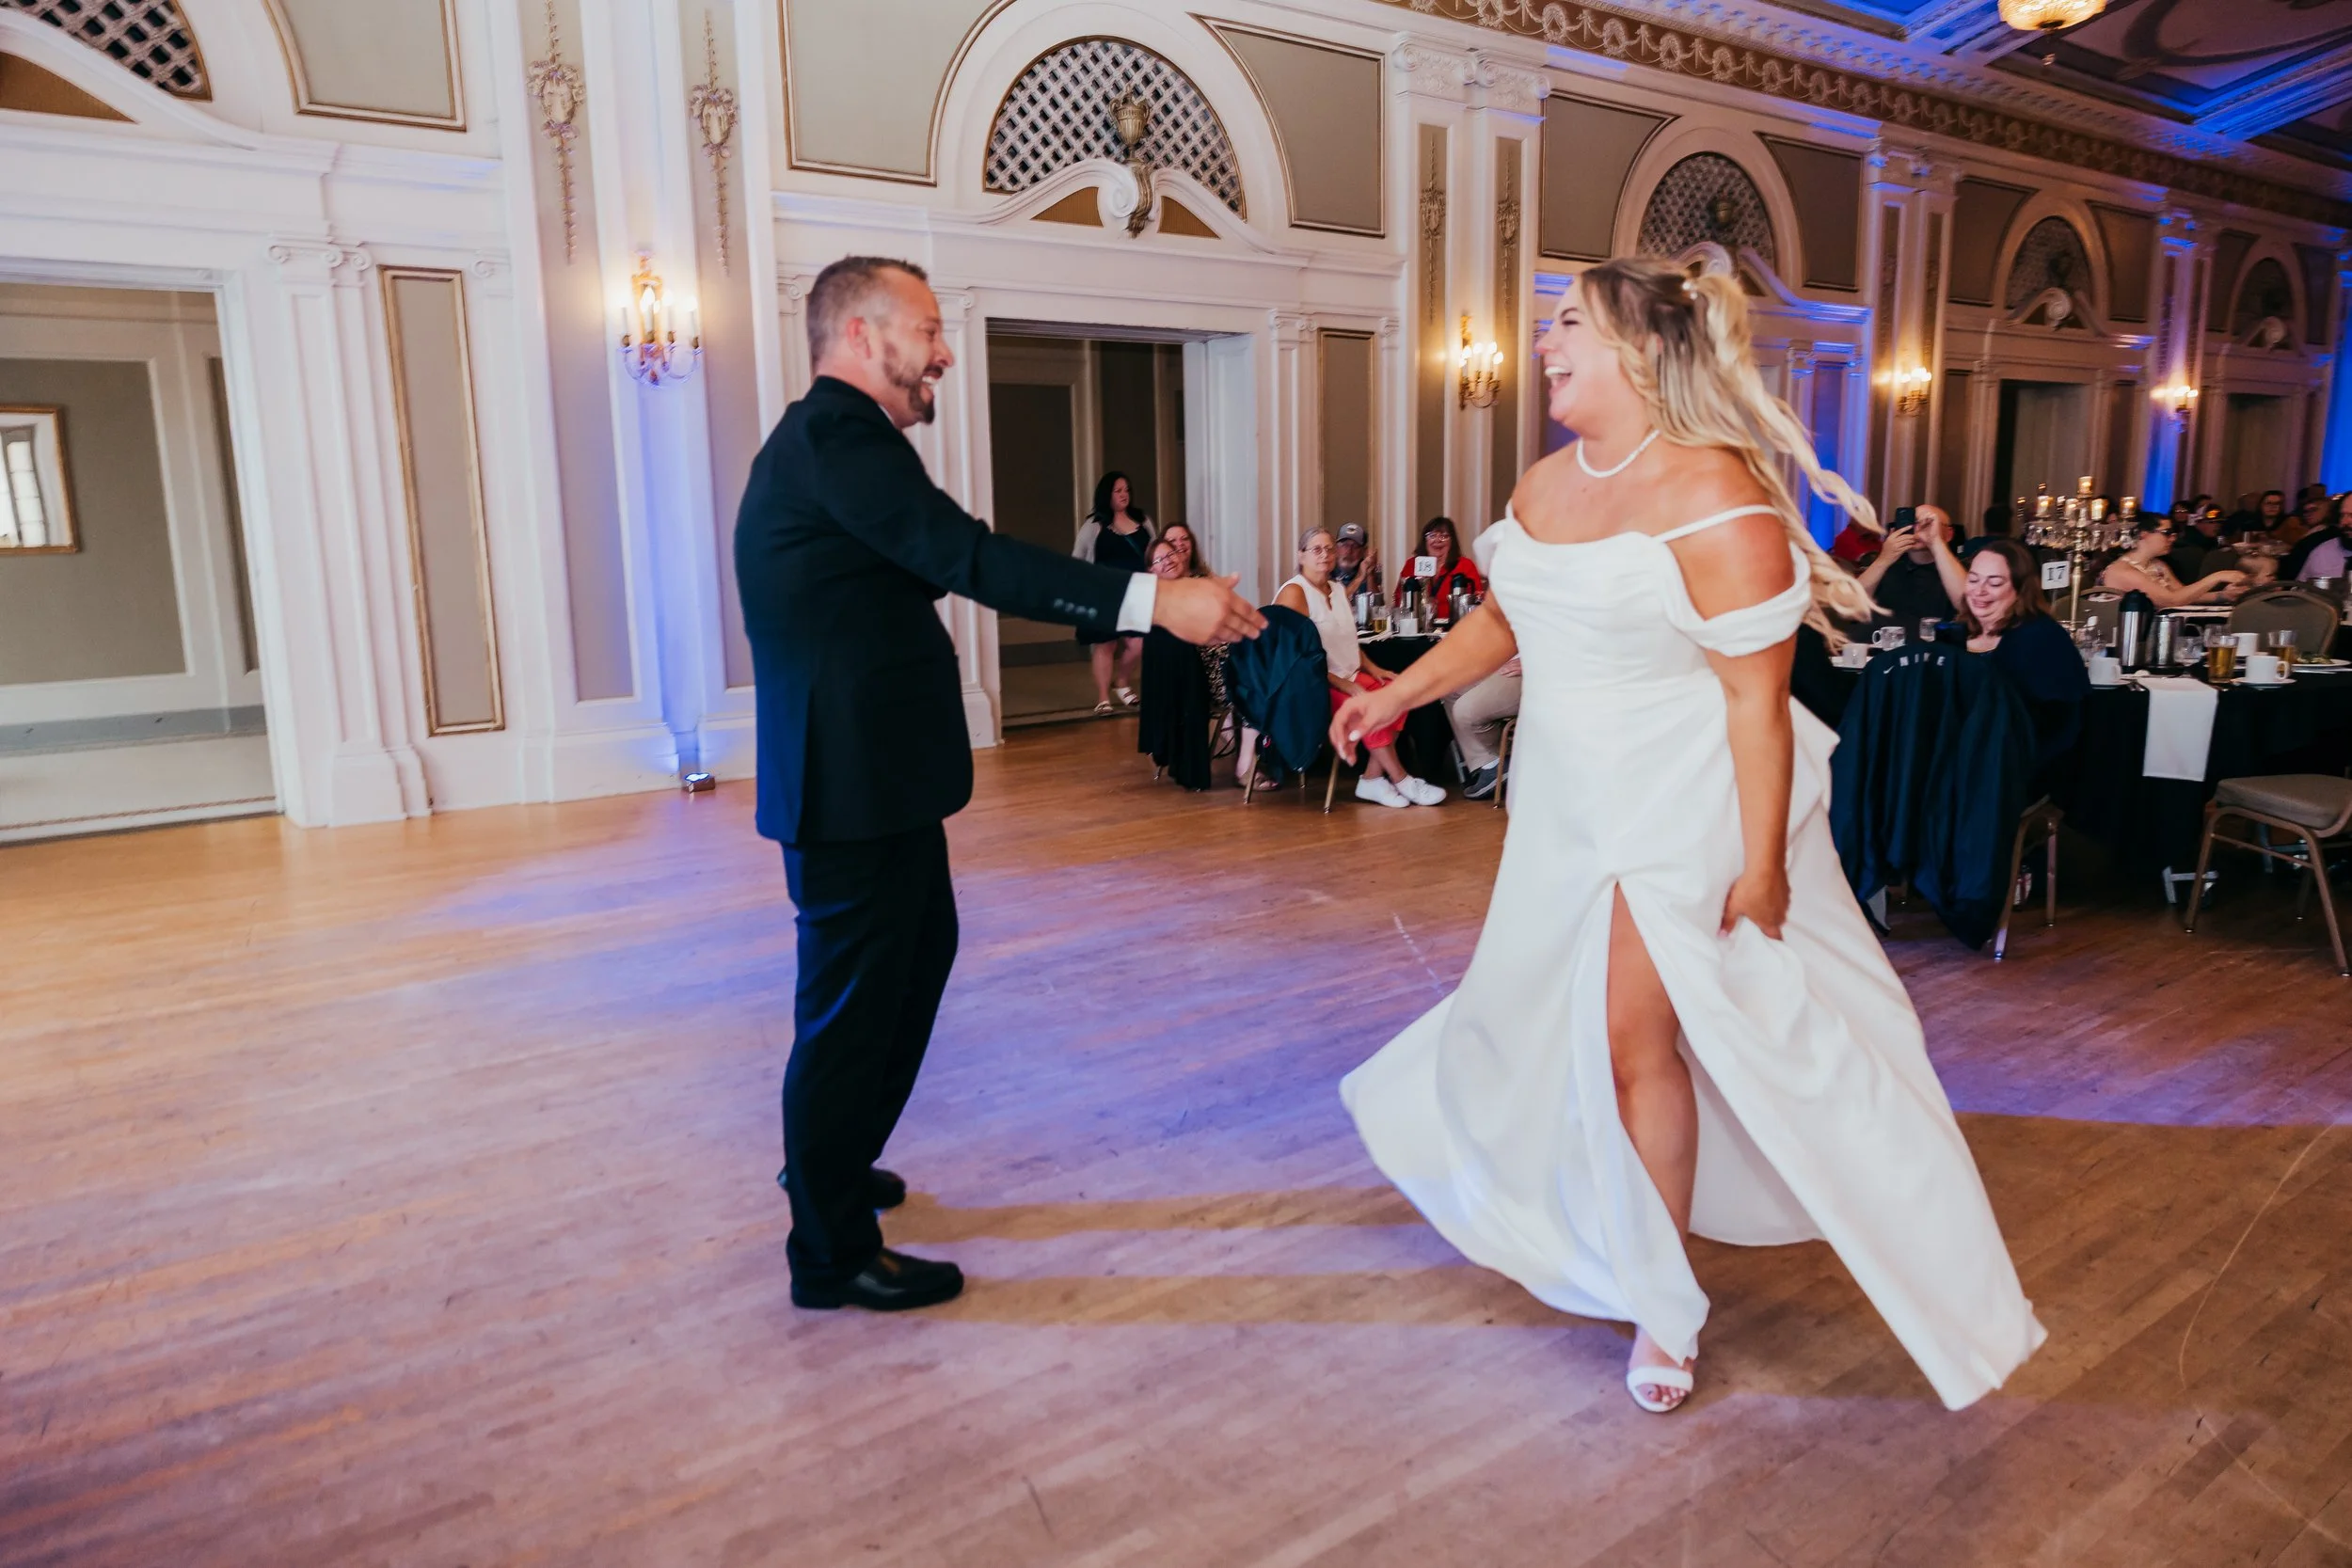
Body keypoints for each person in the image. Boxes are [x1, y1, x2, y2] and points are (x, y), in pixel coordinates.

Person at [1332, 258, 2043, 1416]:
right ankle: (1609, 1224)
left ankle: (1662, 1303)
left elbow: (1756, 706)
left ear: (1641, 348)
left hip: (1679, 802)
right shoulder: (1545, 485)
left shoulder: (1721, 502)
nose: (1544, 343)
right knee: (1545, 1016)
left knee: (1629, 1037)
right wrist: (1397, 694)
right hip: (1564, 799)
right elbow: (1504, 621)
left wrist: (1762, 865)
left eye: (1568, 323)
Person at [735, 255, 1262, 1313]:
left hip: (872, 777)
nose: (941, 351)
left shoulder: (844, 445)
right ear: (856, 336)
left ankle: (829, 1163)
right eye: (925, 329)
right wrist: (1150, 603)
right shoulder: (838, 436)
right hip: (847, 786)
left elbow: (935, 561)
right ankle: (827, 1250)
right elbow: (967, 557)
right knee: (847, 1009)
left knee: (911, 962)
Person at [1278, 526, 1443, 808]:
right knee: (1369, 705)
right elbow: (1294, 659)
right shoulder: (1294, 593)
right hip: (1312, 684)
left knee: (1399, 693)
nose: (1325, 555)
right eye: (1316, 549)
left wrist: (1374, 669)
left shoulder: (1338, 589)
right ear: (1301, 555)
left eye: (1329, 548)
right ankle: (1402, 779)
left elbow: (1349, 641)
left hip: (1350, 674)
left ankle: (1371, 780)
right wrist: (1344, 684)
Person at [1959, 537, 2089, 786]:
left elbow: (2055, 723)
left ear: (2019, 588)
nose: (1979, 591)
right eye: (1973, 579)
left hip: (2014, 763)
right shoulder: (1960, 630)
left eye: (1994, 583)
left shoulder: (2041, 637)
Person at [1073, 472, 1152, 713]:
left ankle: (1122, 683)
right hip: (1104, 594)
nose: (1123, 495)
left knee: (1138, 644)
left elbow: (1154, 553)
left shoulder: (1142, 521)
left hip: (1137, 592)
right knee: (1105, 645)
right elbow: (1078, 559)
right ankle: (1103, 698)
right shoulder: (1094, 525)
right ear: (1107, 494)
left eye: (1126, 490)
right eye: (1118, 491)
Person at [1854, 503, 1963, 633]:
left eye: (1928, 523)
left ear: (1949, 534)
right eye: (1912, 522)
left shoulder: (1958, 570)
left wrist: (1936, 542)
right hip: (1884, 646)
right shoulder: (1885, 565)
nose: (1918, 529)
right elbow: (1852, 607)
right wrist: (1884, 559)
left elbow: (1965, 605)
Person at [2100, 515, 2246, 607]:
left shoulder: (2157, 565)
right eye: (2167, 533)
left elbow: (2184, 594)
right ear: (2144, 535)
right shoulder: (2123, 571)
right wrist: (2217, 576)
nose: (2173, 538)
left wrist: (2222, 596)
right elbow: (2172, 600)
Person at [1393, 515, 1484, 620]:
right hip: (1416, 626)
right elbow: (1398, 600)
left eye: (1444, 536)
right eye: (1432, 536)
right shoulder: (1411, 565)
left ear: (1452, 541)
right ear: (1424, 540)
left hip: (1454, 627)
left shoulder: (1465, 565)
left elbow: (1477, 600)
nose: (1437, 540)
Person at [1331, 522, 1378, 596]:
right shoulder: (1326, 568)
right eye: (1344, 545)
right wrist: (1360, 577)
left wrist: (1370, 574)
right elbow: (1335, 603)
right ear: (1336, 547)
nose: (1349, 551)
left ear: (1363, 551)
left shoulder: (1369, 567)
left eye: (1355, 546)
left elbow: (1376, 605)